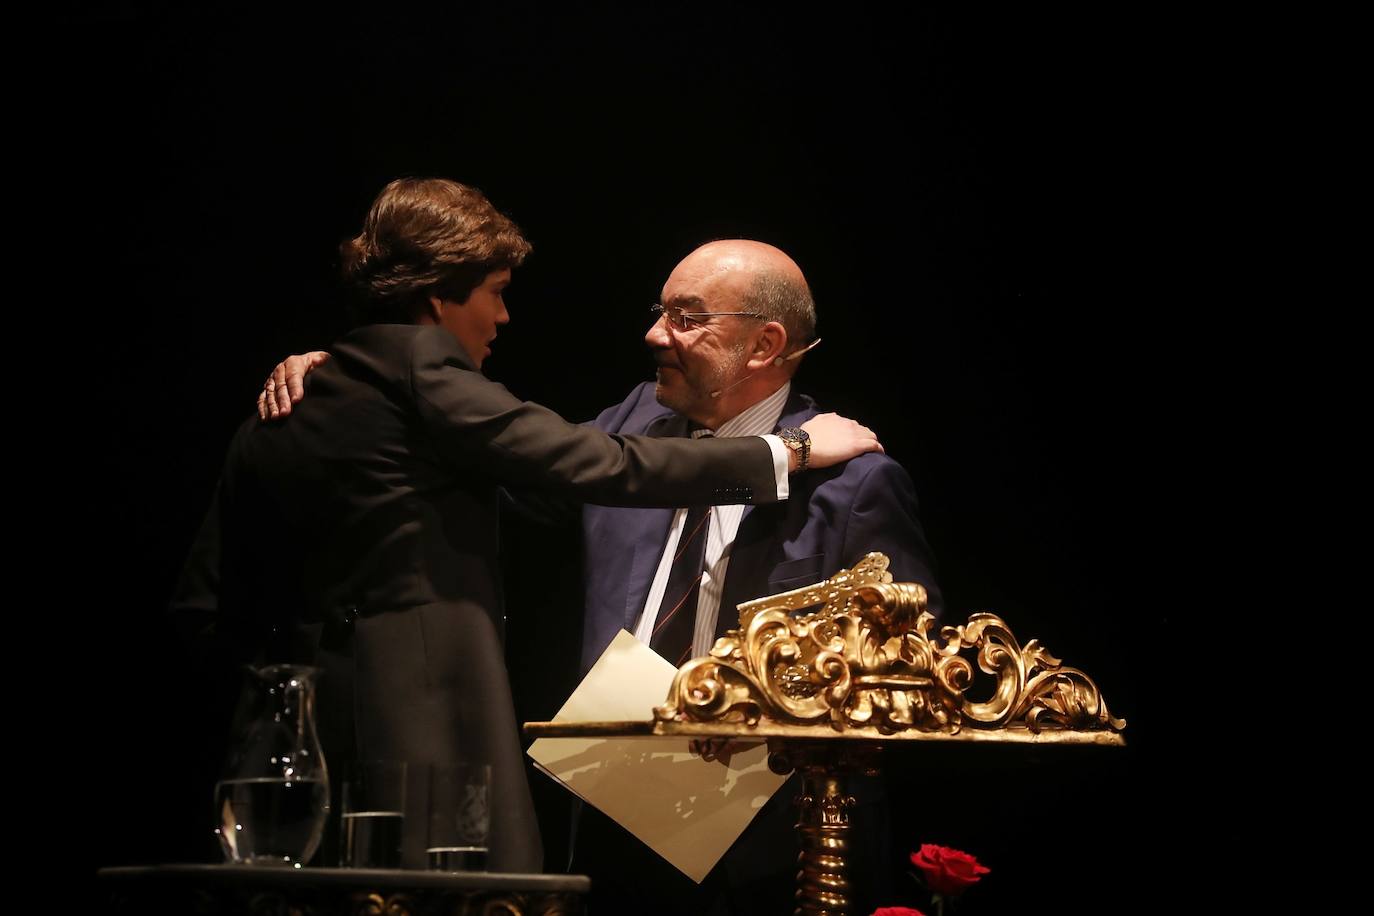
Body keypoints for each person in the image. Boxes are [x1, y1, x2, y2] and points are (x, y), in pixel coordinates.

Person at [172, 179, 883, 873]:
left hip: (757, 827)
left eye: (686, 317)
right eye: (497, 291)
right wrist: (785, 451)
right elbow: (603, 466)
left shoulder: (287, 413)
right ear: (440, 293)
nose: (505, 318)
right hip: (456, 760)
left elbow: (205, 608)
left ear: (764, 345)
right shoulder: (438, 382)